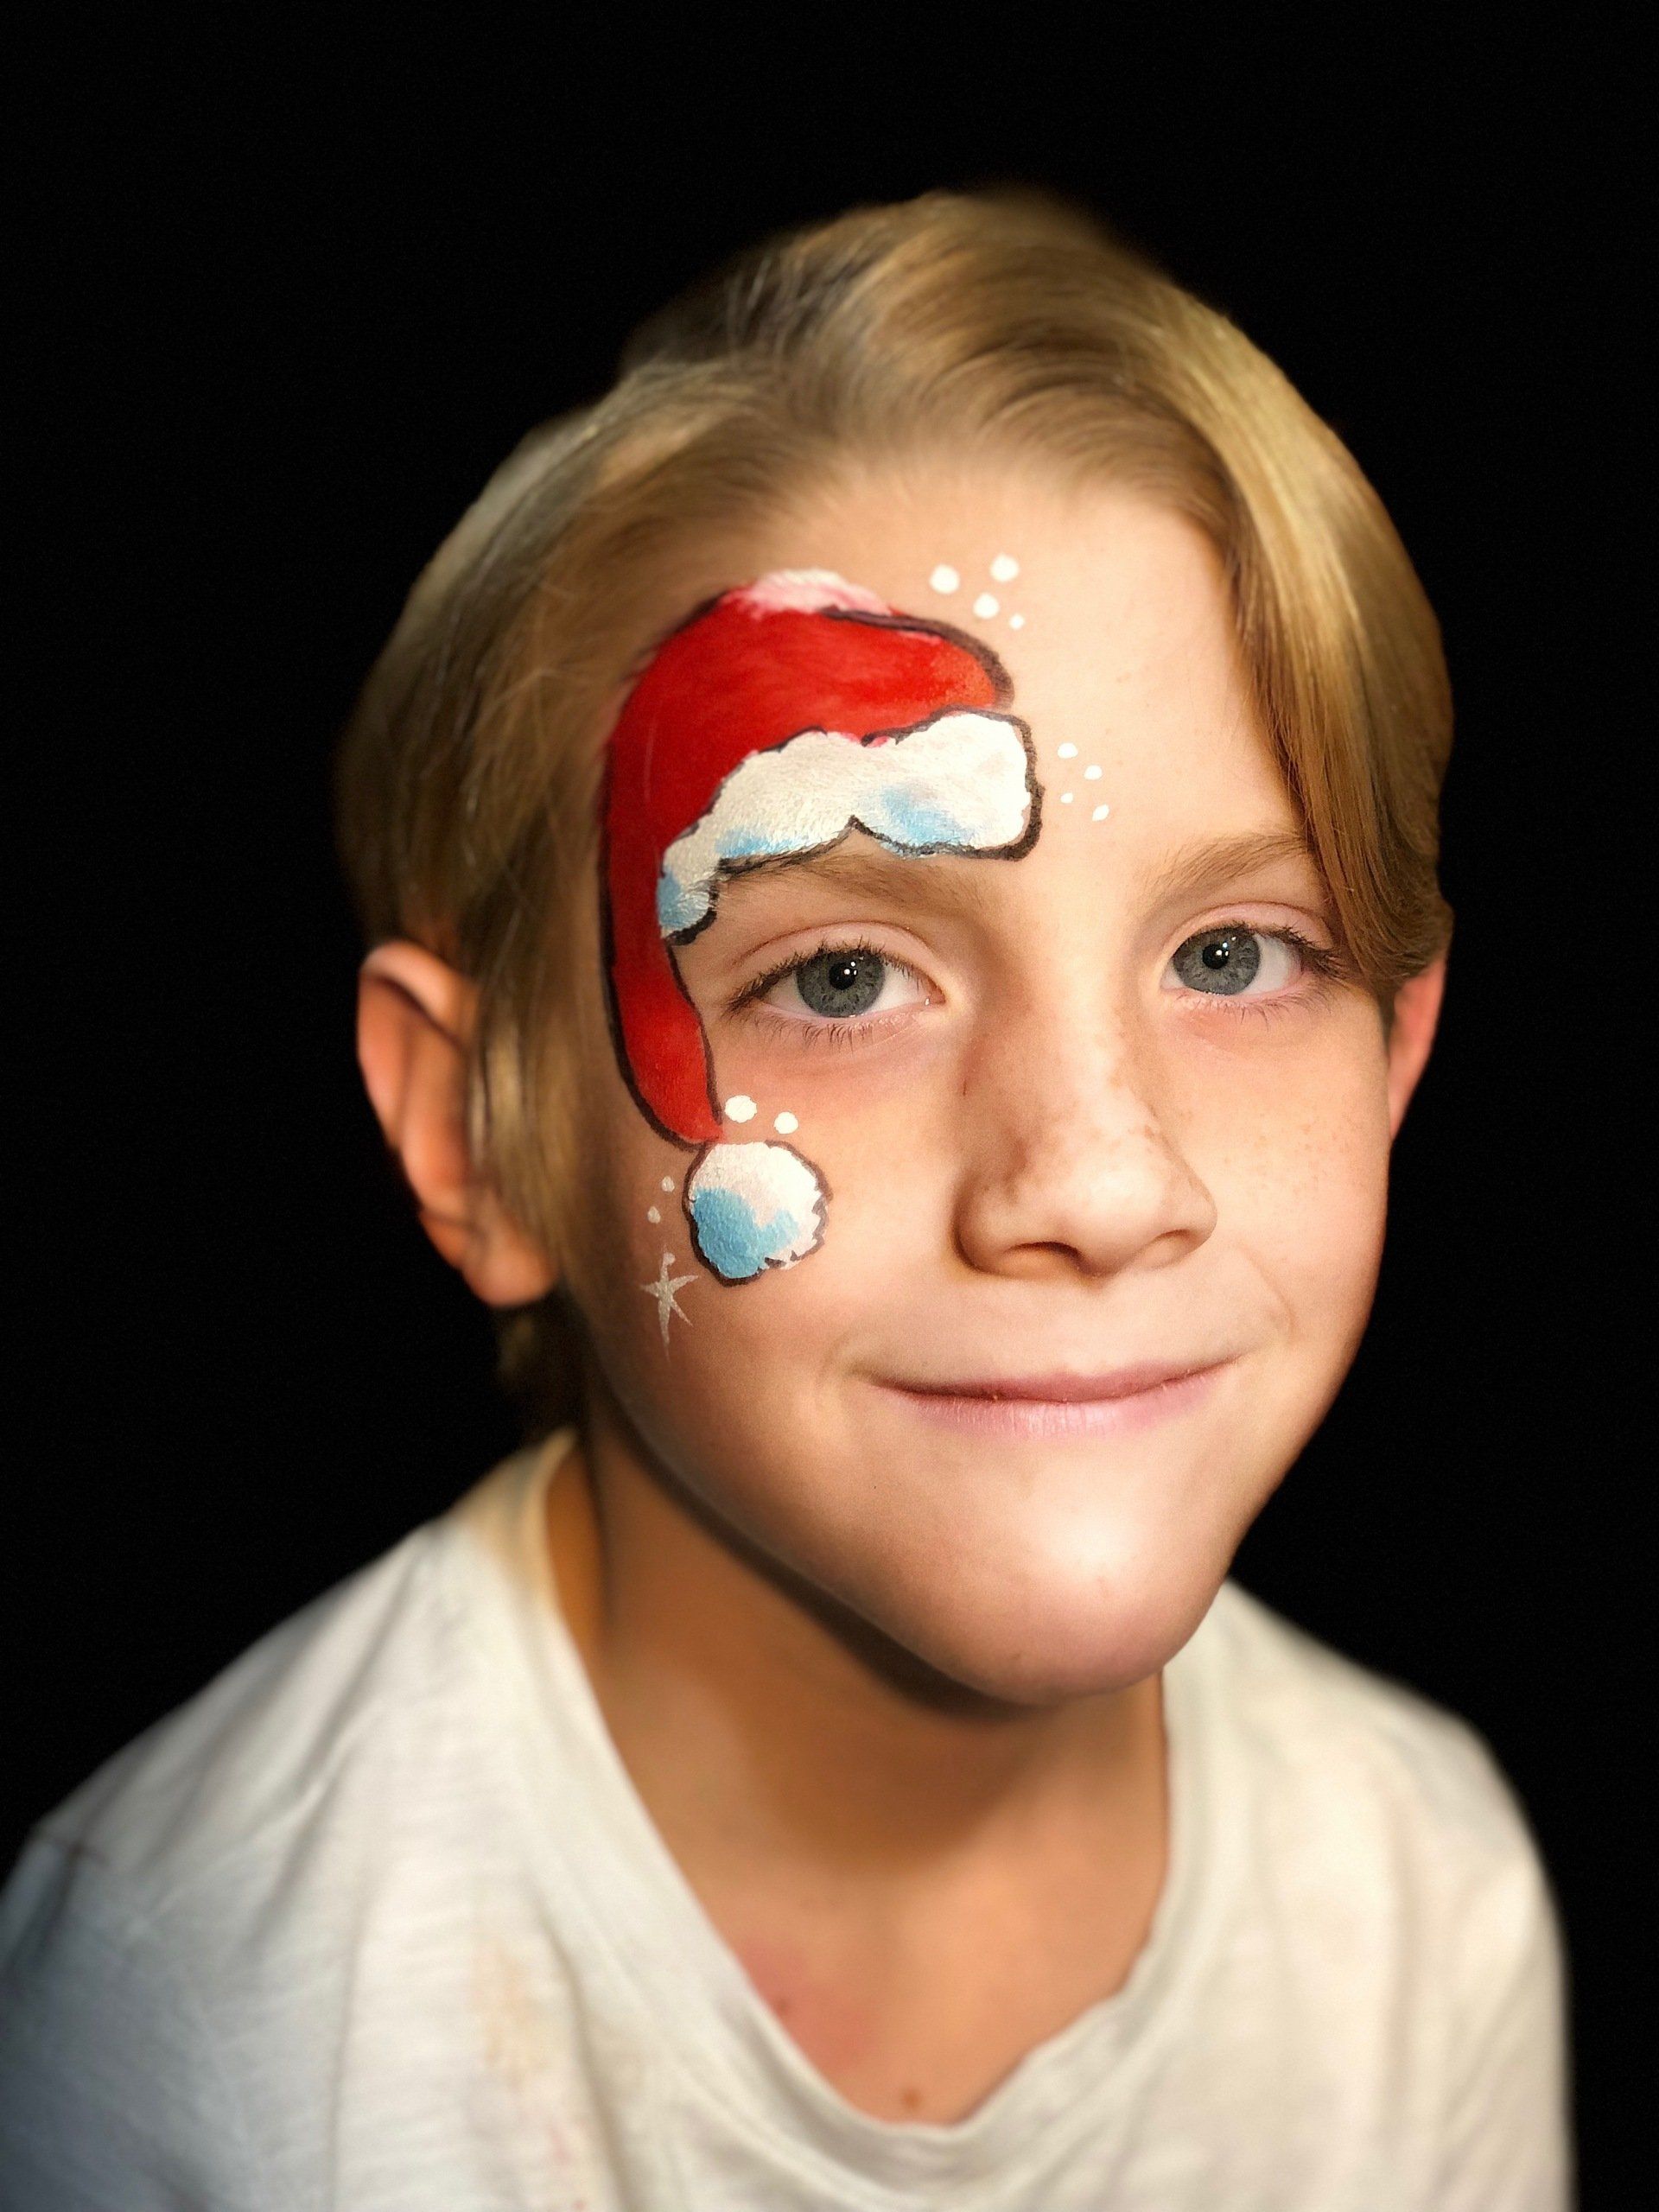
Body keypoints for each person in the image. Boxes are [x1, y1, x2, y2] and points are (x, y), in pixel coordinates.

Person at [0, 188, 1572, 2209]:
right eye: (840, 980)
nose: (1097, 1178)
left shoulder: (1417, 1899)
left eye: (1233, 956)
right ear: (479, 1138)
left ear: (1397, 1064)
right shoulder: (192, 2008)